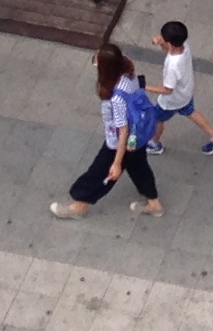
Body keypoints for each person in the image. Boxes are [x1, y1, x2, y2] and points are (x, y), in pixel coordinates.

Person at [49, 43, 162, 219]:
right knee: (138, 166)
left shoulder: (117, 98)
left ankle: (78, 207)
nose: (95, 61)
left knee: (100, 172)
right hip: (137, 136)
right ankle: (154, 203)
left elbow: (122, 130)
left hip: (120, 141)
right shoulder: (129, 71)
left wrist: (116, 162)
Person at [151, 20, 213, 155]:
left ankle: (154, 144)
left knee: (157, 119)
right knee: (190, 112)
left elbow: (168, 90)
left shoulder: (172, 66)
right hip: (186, 92)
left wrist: (144, 86)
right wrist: (162, 43)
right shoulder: (185, 46)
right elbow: (169, 50)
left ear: (170, 43)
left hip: (171, 101)